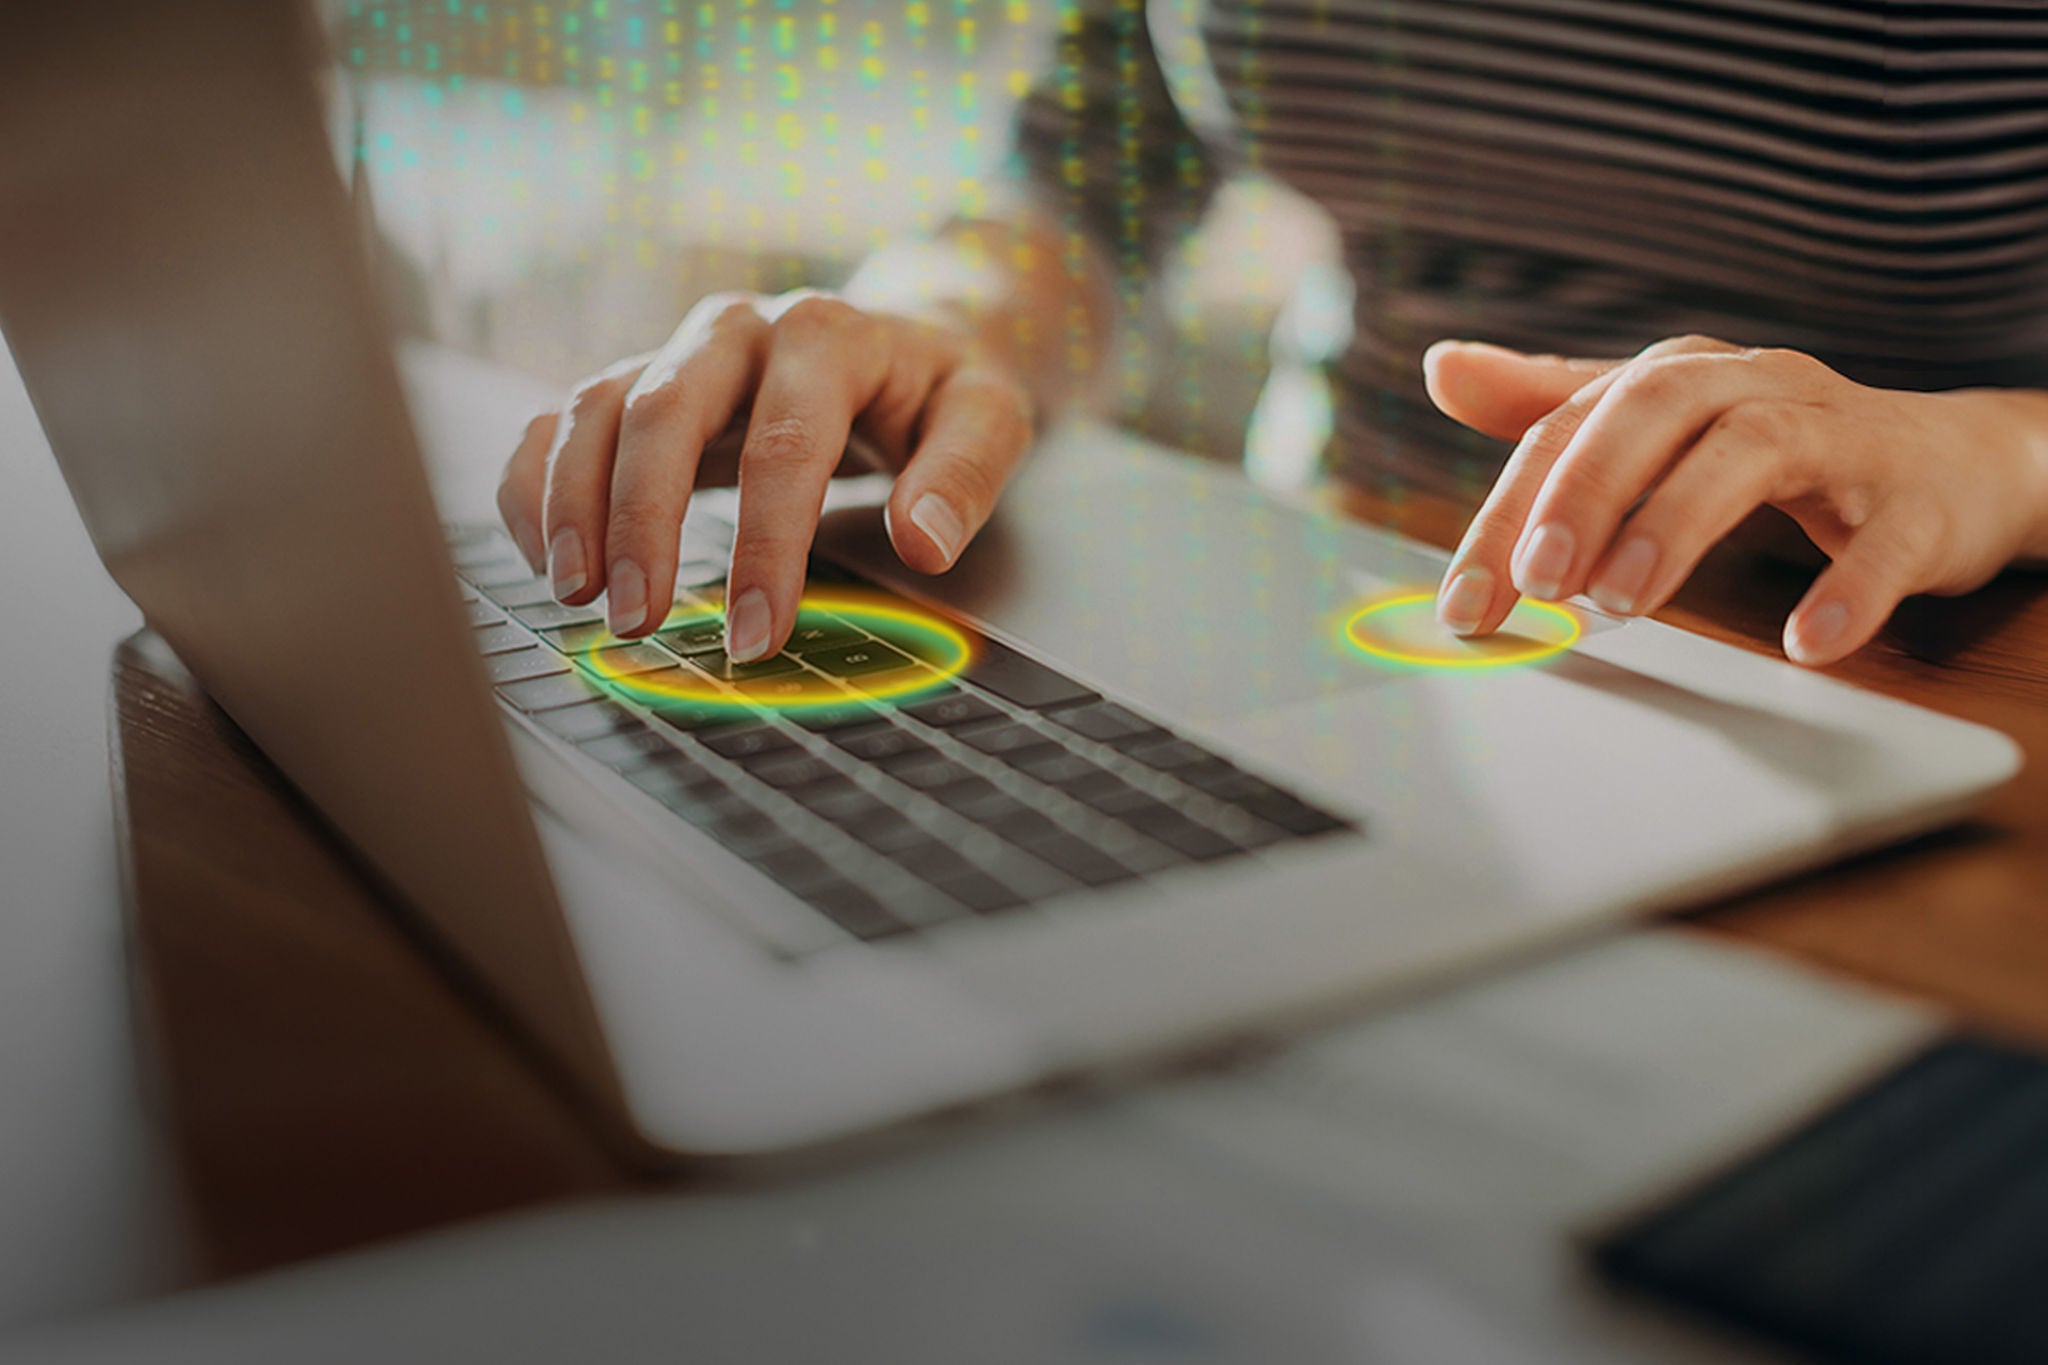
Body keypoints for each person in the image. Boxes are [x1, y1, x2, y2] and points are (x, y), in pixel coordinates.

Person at [496, 0, 2048, 668]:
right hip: (1337, 609)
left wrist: (2003, 446)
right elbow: (1102, 155)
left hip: (1908, 661)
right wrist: (941, 320)